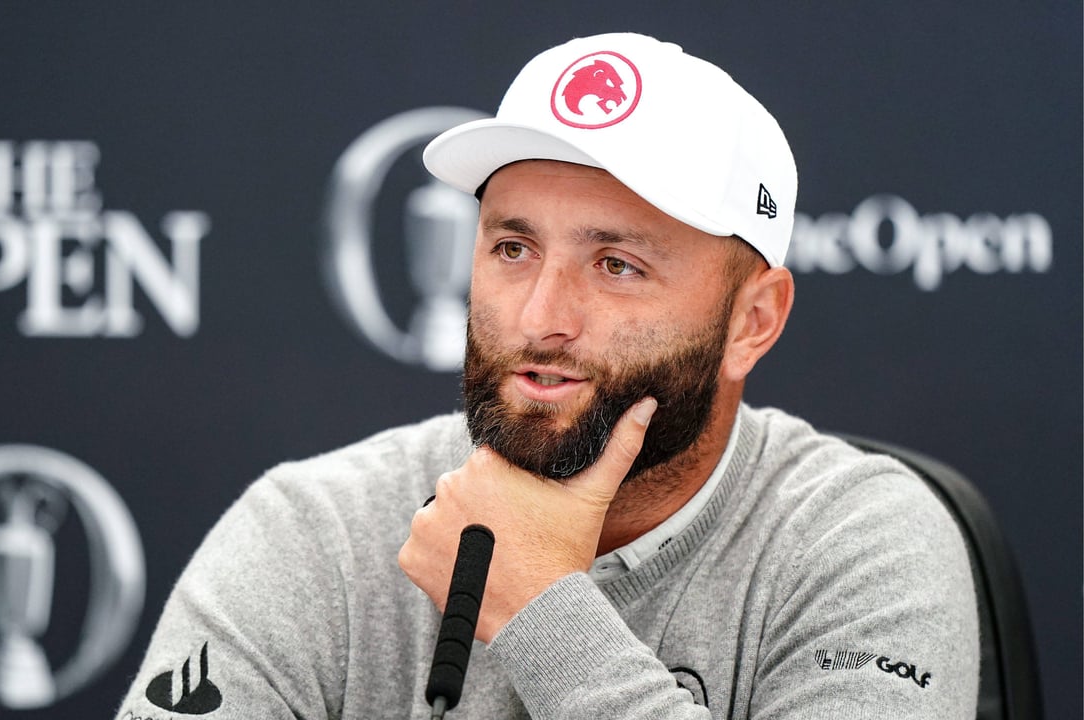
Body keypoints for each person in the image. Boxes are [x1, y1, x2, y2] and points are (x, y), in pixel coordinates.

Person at [114, 32, 978, 719]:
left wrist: (539, 607)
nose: (539, 318)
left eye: (617, 265)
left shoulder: (861, 542)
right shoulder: (315, 531)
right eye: (512, 248)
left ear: (752, 320)